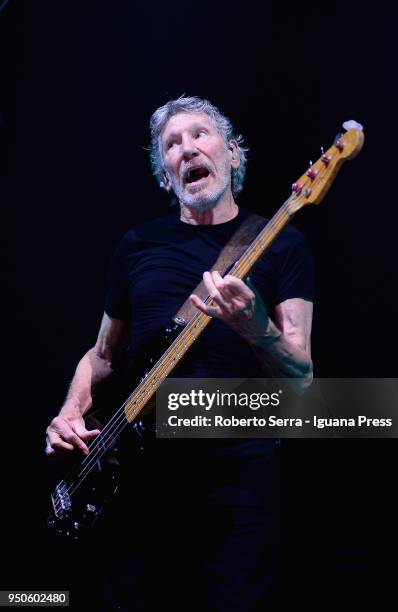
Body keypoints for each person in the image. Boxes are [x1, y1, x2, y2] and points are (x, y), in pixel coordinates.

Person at [45, 96, 314, 611]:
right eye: (172, 145)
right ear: (166, 177)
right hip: (142, 482)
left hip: (238, 476)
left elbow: (300, 374)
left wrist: (256, 328)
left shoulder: (283, 244)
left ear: (234, 154)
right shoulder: (137, 245)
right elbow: (102, 356)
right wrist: (70, 409)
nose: (187, 148)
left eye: (200, 135)